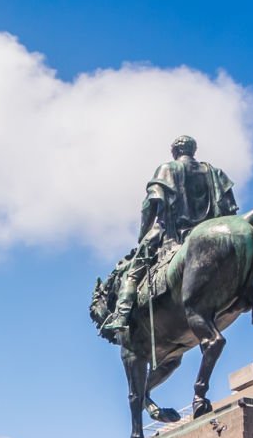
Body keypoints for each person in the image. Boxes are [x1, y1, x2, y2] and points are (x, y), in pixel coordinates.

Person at [100, 135, 238, 338]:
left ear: (174, 152)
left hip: (174, 234)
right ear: (193, 150)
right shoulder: (215, 173)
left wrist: (144, 234)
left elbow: (150, 205)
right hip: (214, 229)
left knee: (132, 273)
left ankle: (120, 317)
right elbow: (229, 208)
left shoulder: (168, 169)